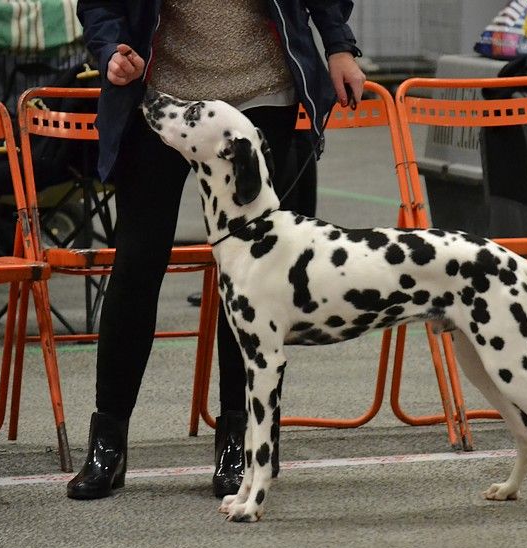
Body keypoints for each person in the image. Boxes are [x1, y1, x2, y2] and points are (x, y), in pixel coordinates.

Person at [67, 0, 366, 500]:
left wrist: (339, 46)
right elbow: (100, 4)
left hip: (261, 97)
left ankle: (240, 444)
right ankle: (107, 445)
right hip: (160, 100)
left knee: (254, 280)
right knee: (138, 262)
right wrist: (110, 52)